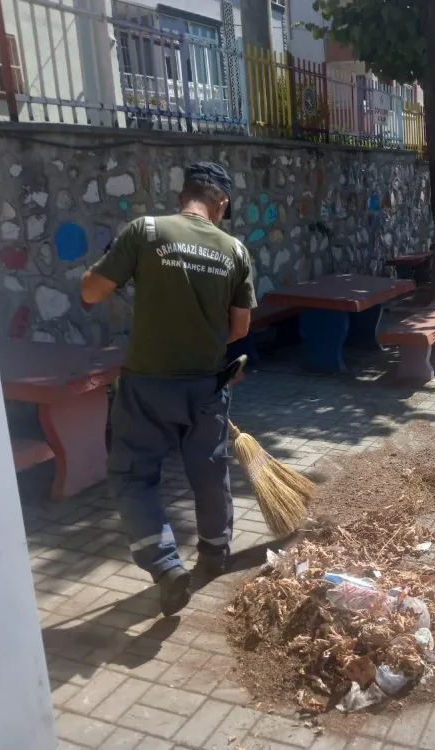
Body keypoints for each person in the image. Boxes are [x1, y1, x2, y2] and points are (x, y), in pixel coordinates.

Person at [80, 162, 257, 617]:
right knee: (209, 470)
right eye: (225, 208)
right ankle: (214, 553)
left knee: (133, 476)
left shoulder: (146, 231)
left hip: (147, 386)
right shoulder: (235, 250)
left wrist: (108, 269)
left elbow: (92, 292)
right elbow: (240, 328)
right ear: (219, 202)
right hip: (205, 385)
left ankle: (164, 564)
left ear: (185, 197)